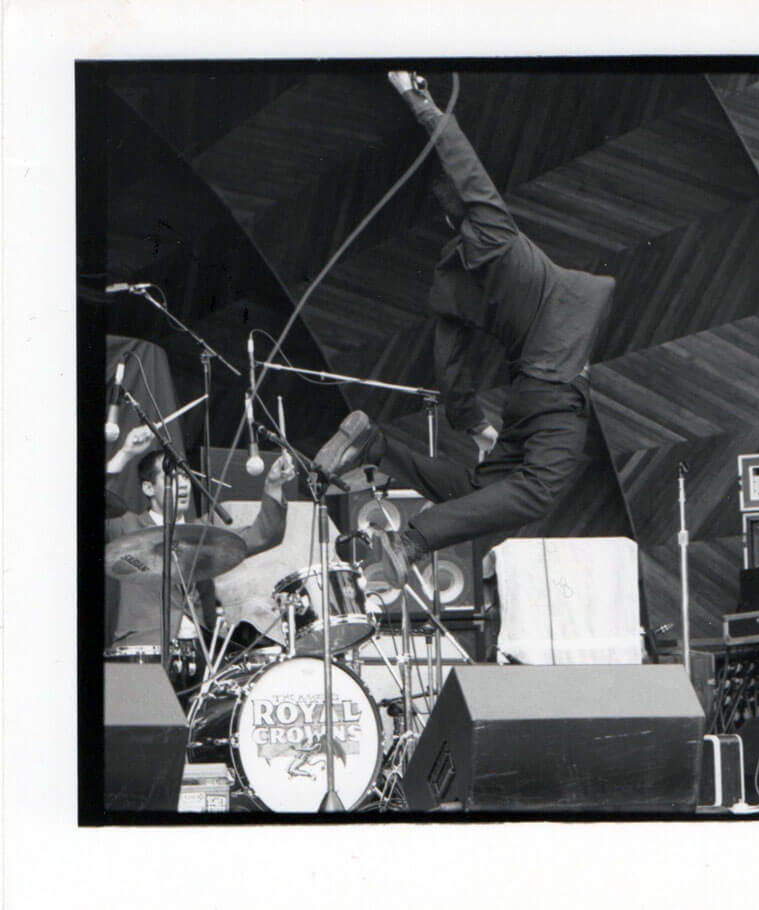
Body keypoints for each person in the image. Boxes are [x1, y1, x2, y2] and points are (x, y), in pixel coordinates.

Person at [314, 71, 616, 572]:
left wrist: (475, 424)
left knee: (483, 491)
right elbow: (465, 164)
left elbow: (450, 366)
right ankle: (413, 541)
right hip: (553, 393)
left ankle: (376, 444)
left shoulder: (449, 280)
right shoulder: (499, 236)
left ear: (446, 221)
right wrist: (420, 101)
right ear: (470, 210)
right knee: (537, 491)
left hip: (526, 399)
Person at [105, 425, 294, 654]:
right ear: (148, 487)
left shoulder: (204, 532)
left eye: (185, 476)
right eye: (172, 477)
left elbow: (265, 535)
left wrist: (273, 485)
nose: (183, 483)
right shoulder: (127, 526)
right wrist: (125, 452)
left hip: (201, 648)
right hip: (144, 647)